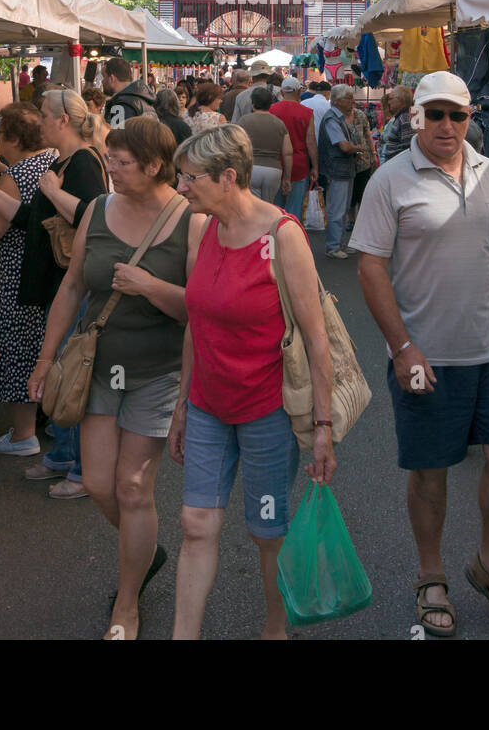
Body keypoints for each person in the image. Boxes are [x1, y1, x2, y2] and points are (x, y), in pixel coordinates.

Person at [349, 71, 489, 639]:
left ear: (469, 119)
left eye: (456, 115)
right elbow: (370, 266)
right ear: (416, 116)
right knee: (431, 471)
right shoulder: (391, 180)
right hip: (426, 356)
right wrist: (402, 347)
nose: (446, 126)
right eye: (435, 114)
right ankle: (430, 575)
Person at [27, 118, 206, 640]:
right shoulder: (99, 211)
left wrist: (151, 286)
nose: (109, 169)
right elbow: (74, 285)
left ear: (154, 166)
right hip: (97, 366)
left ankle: (126, 601)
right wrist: (44, 359)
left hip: (160, 371)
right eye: (109, 159)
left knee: (132, 487)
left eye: (119, 162)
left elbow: (198, 309)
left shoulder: (190, 220)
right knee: (101, 484)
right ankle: (145, 550)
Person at [168, 125, 336, 640]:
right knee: (196, 525)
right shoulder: (202, 229)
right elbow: (197, 322)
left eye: (190, 178)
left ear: (229, 177)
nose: (180, 188)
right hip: (206, 407)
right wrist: (181, 406)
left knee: (267, 533)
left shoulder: (281, 234)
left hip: (267, 410)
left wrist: (323, 425)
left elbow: (316, 338)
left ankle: (274, 628)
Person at [0, 88, 108, 496]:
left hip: (73, 283)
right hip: (57, 282)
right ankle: (63, 455)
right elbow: (32, 220)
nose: (40, 122)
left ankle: (82, 471)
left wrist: (51, 191)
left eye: (45, 116)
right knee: (60, 371)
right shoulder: (62, 160)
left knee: (72, 375)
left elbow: (92, 217)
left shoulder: (81, 162)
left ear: (63, 120)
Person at [0, 103, 57, 462]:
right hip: (43, 276)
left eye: (0, 136)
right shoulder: (51, 159)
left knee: (16, 348)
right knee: (40, 347)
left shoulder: (17, 175)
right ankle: (49, 419)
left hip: (16, 276)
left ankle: (23, 435)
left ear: (15, 138)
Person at [317, 85, 359, 259]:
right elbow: (343, 145)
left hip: (343, 169)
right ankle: (334, 246)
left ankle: (339, 243)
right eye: (349, 98)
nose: (352, 102)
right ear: (338, 100)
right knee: (337, 209)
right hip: (337, 170)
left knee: (342, 207)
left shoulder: (338, 118)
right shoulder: (332, 119)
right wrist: (359, 148)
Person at [270, 76, 318, 223]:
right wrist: (315, 166)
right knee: (294, 210)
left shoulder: (271, 110)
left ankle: (275, 241)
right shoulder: (306, 112)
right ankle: (292, 240)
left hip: (276, 163)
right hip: (299, 165)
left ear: (282, 93)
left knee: (275, 209)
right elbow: (310, 141)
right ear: (299, 92)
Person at [238, 85, 293, 203]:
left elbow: (236, 147)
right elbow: (288, 153)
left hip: (251, 168)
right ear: (270, 104)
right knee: (268, 206)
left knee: (252, 205)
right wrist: (287, 178)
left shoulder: (244, 121)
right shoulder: (279, 124)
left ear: (253, 104)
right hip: (274, 170)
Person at [348, 98, 379, 227]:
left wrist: (373, 153)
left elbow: (368, 134)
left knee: (361, 191)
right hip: (348, 159)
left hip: (363, 159)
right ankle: (351, 220)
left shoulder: (361, 115)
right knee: (351, 194)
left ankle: (360, 220)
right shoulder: (339, 116)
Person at [103, 58, 157, 125]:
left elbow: (116, 134)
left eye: (104, 77)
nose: (103, 81)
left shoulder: (121, 105)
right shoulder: (144, 99)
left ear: (112, 78)